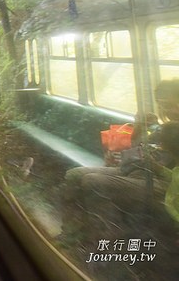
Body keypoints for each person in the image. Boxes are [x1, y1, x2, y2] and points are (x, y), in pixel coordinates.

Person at [60, 80, 179, 242]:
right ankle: (72, 231)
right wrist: (139, 130)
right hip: (140, 171)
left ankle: (108, 238)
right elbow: (139, 150)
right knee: (74, 174)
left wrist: (156, 167)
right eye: (163, 105)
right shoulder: (163, 127)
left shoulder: (173, 132)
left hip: (165, 184)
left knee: (93, 181)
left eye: (171, 104)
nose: (168, 110)